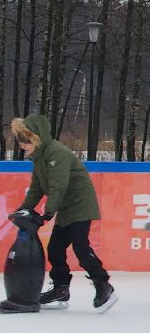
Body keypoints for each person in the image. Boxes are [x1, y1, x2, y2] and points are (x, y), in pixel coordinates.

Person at [11, 114, 117, 313]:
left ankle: (103, 285)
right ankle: (61, 289)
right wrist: (23, 210)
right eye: (20, 142)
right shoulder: (39, 158)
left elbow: (58, 186)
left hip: (80, 204)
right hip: (66, 208)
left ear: (35, 138)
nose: (22, 146)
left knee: (80, 246)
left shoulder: (56, 153)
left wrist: (48, 212)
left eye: (24, 142)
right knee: (55, 249)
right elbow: (36, 189)